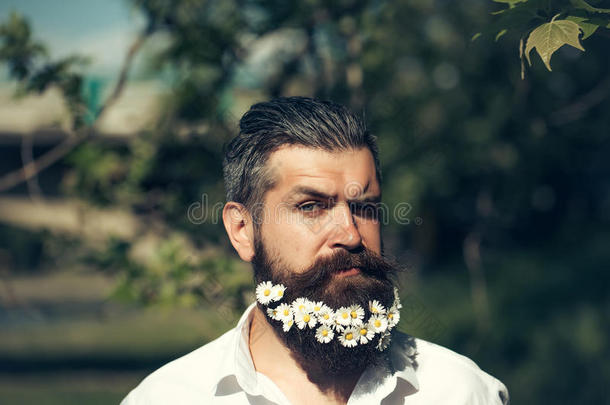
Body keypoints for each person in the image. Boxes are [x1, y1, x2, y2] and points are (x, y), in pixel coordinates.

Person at [121, 97, 509, 404]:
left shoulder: (461, 393)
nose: (351, 235)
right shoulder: (169, 398)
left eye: (364, 208)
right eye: (311, 207)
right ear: (242, 230)